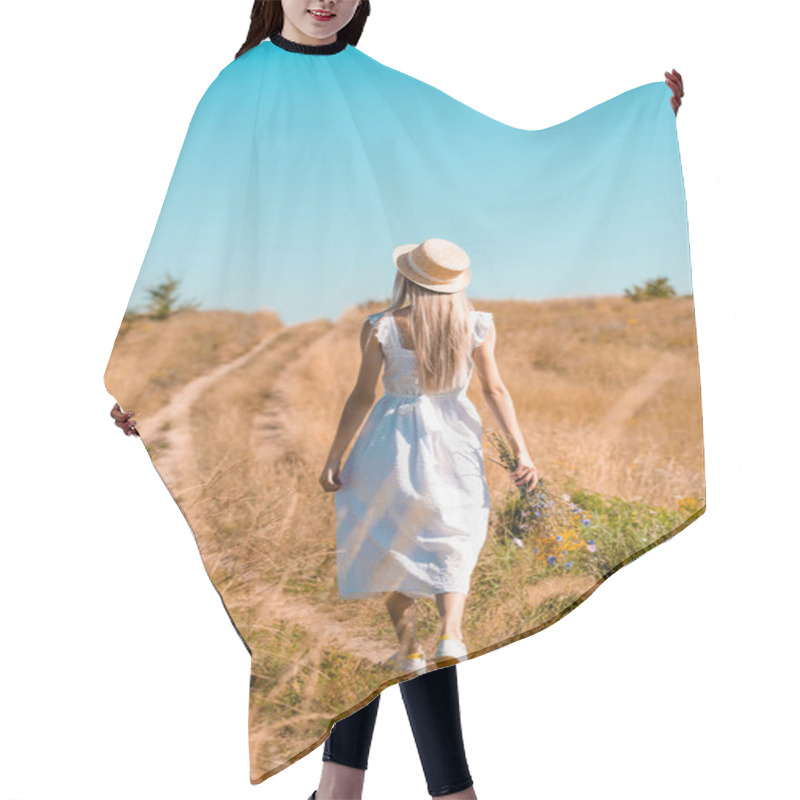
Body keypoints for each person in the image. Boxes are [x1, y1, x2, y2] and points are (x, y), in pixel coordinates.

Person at [108, 3, 686, 797]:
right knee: (395, 587)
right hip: (345, 345)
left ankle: (349, 789)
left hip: (394, 363)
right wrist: (154, 374)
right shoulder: (237, 90)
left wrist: (634, 124)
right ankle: (425, 790)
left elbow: (496, 163)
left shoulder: (377, 87)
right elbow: (199, 233)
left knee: (391, 586)